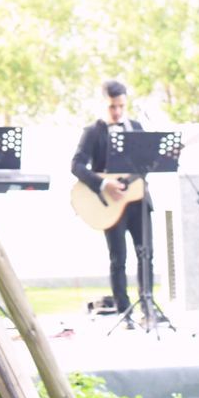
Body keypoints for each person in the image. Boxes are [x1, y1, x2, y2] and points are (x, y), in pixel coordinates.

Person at [71, 79, 147, 327]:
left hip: (138, 201)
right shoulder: (94, 131)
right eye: (112, 107)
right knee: (119, 258)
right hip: (110, 204)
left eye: (121, 106)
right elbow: (77, 165)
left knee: (146, 254)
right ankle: (125, 312)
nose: (117, 112)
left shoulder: (136, 128)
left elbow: (146, 163)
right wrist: (104, 184)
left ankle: (148, 307)